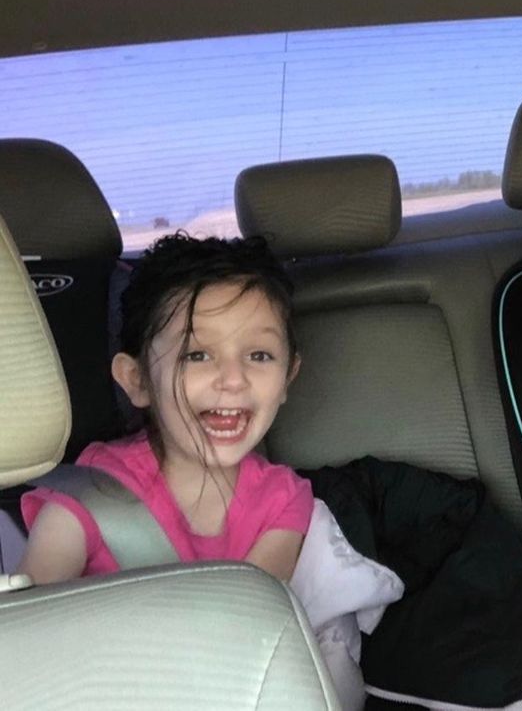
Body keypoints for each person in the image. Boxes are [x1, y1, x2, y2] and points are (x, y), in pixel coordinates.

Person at [18, 233, 313, 584]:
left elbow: (256, 611)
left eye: (259, 355)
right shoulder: (96, 490)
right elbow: (35, 608)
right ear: (137, 380)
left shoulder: (283, 499)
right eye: (196, 355)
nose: (234, 379)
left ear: (288, 376)